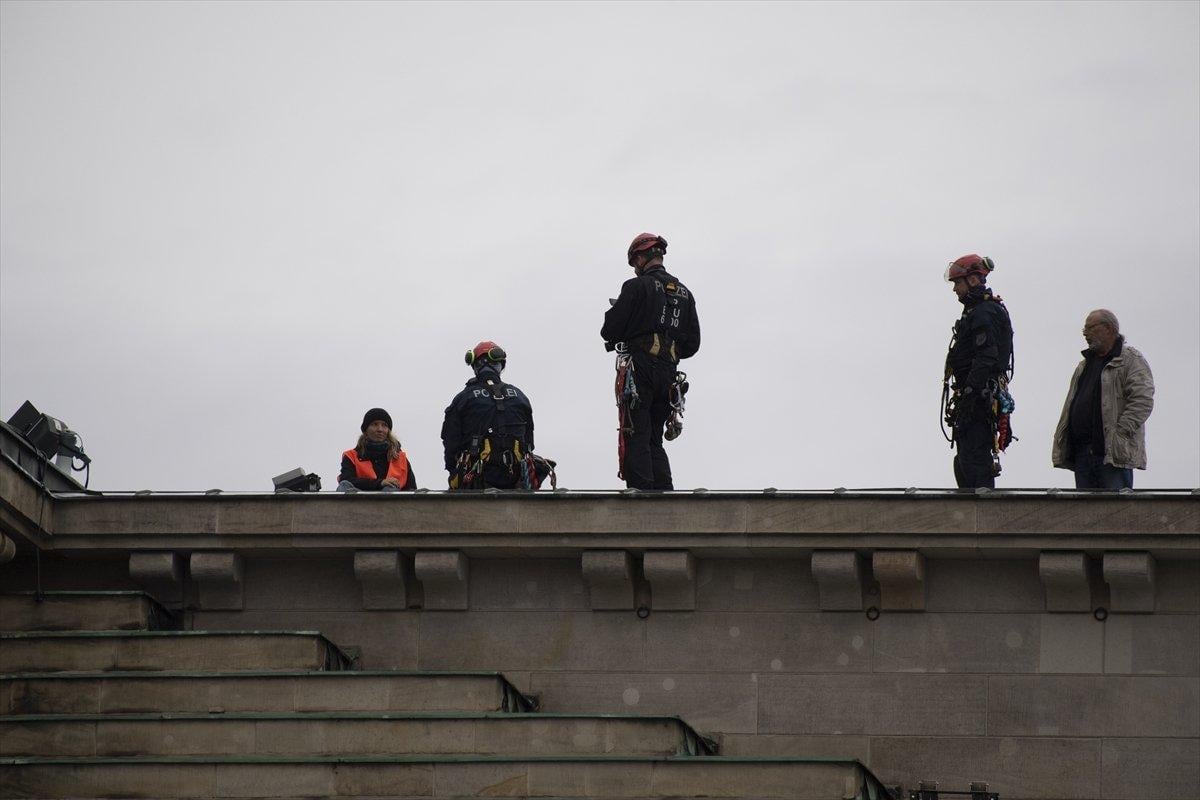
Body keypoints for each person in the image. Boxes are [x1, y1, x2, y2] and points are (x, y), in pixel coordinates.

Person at [602, 232, 700, 490]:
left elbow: (609, 331)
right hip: (668, 375)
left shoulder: (635, 287)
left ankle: (642, 499)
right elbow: (692, 344)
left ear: (641, 258)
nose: (635, 268)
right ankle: (665, 495)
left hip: (641, 371)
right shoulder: (685, 294)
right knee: (654, 438)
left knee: (636, 433)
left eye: (635, 262)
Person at [1052, 309, 1154, 489]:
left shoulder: (1130, 360)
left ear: (1108, 328)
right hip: (1083, 454)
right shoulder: (1084, 366)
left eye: (1090, 328)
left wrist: (1120, 434)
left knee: (1115, 512)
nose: (1085, 333)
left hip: (1111, 455)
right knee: (1085, 514)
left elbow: (1142, 400)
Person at [942, 254, 1014, 489]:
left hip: (979, 400)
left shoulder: (984, 312)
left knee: (975, 464)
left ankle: (981, 518)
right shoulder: (977, 311)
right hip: (975, 397)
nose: (954, 289)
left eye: (957, 283)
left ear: (973, 280)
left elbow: (987, 357)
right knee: (964, 463)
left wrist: (971, 393)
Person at [442, 341, 544, 490]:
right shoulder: (520, 397)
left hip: (475, 482)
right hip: (516, 481)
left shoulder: (463, 398)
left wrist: (453, 472)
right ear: (500, 365)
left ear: (475, 366)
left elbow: (451, 442)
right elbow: (529, 442)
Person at [337, 408, 417, 492]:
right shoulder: (351, 456)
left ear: (388, 431)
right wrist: (379, 483)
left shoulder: (401, 458)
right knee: (344, 486)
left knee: (391, 489)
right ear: (366, 430)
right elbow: (347, 479)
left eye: (384, 425)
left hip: (391, 502)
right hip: (360, 502)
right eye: (375, 424)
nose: (380, 429)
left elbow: (411, 489)